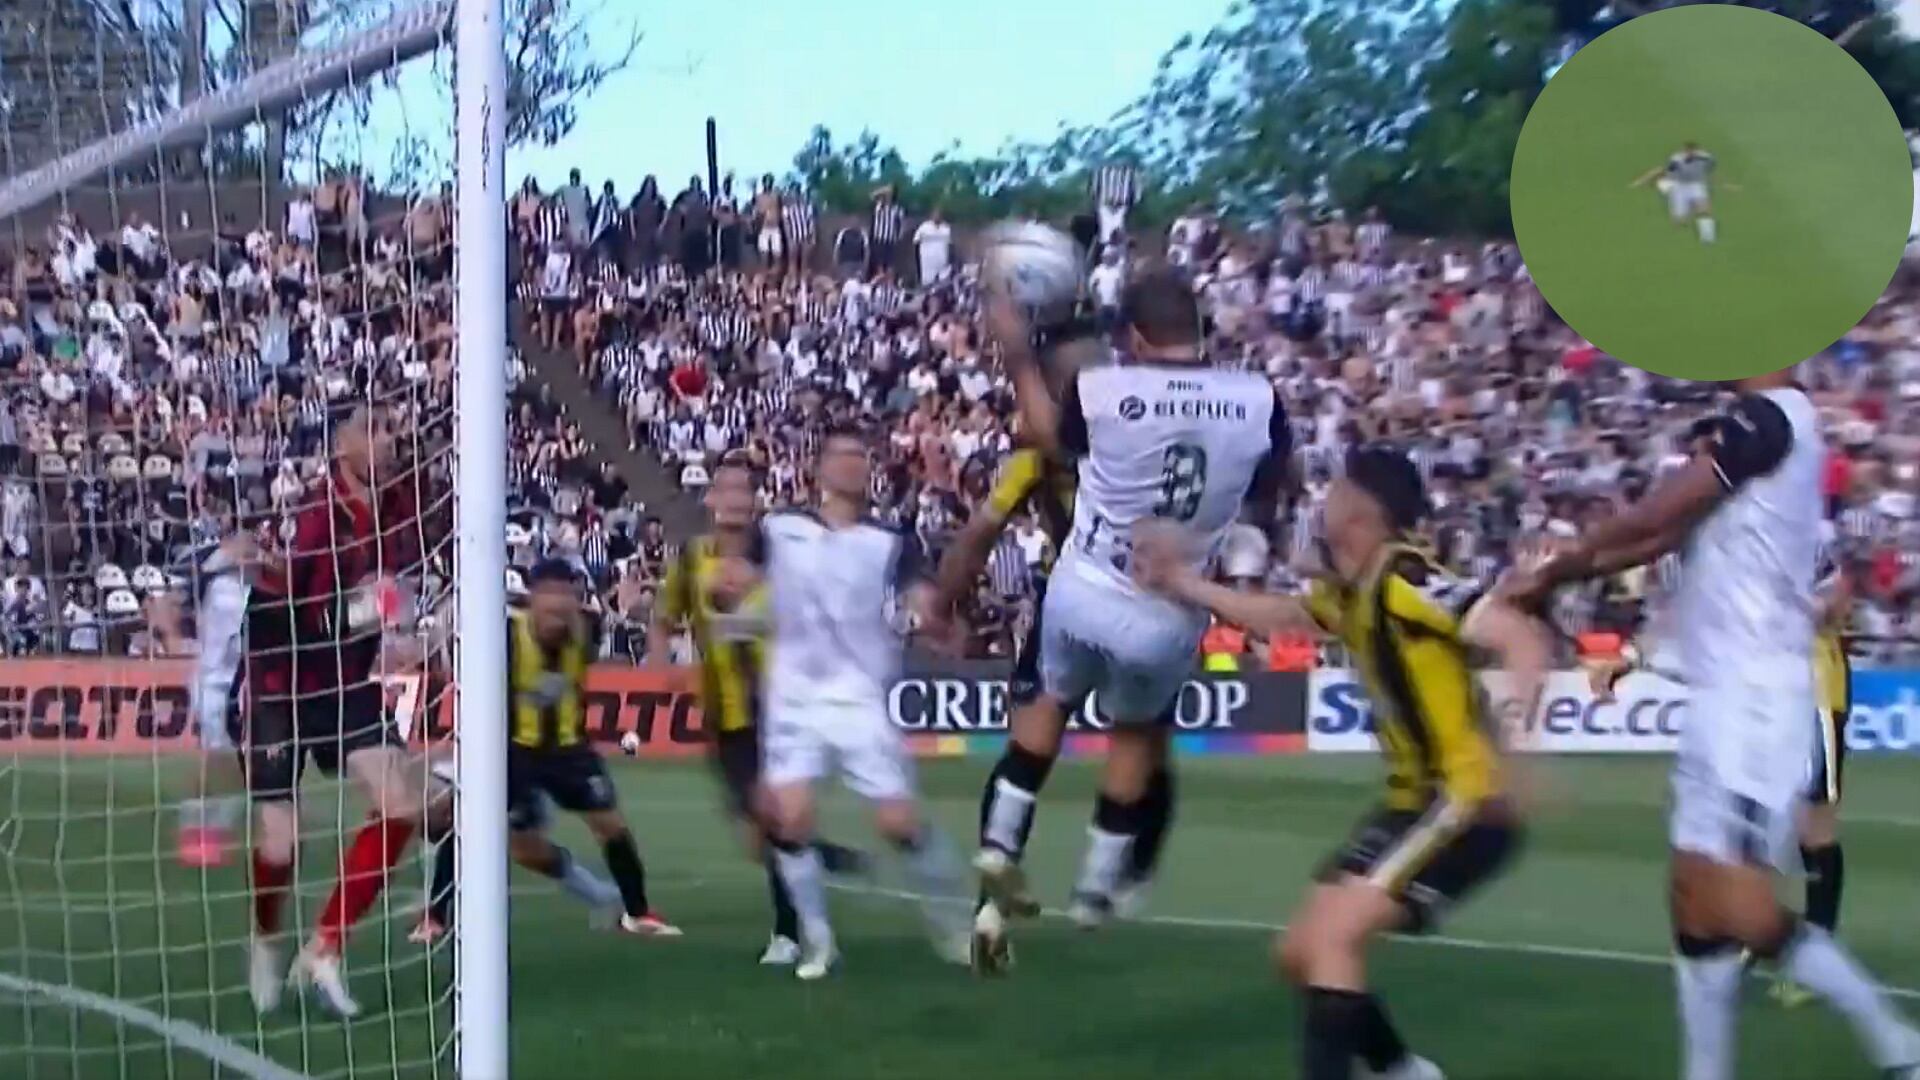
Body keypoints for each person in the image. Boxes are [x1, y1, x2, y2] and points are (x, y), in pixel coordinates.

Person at [1513, 372, 1920, 1080]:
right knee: (1693, 905)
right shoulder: (1741, 457)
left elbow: (1652, 515)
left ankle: (1899, 1046)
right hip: (1719, 701)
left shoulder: (1776, 417)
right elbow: (1654, 536)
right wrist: (1556, 576)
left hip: (1756, 704)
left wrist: (1564, 560)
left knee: (1740, 907)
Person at [1133, 446, 1549, 1080]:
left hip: (1464, 801)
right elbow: (1283, 616)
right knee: (1300, 953)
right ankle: (1403, 1071)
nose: (1323, 500)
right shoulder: (1351, 590)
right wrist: (1180, 582)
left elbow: (1519, 635)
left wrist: (1516, 746)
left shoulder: (1406, 580)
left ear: (1359, 511)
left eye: (1336, 491)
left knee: (1332, 942)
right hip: (1413, 804)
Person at [985, 264, 1290, 934]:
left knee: (1049, 703)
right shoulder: (1260, 398)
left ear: (1137, 337)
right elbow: (1268, 493)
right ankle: (1094, 891)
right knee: (1135, 736)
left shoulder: (1102, 387)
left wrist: (1019, 359)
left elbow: (1051, 440)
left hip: (1085, 587)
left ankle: (1000, 844)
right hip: (1166, 608)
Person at [930, 319, 1171, 975]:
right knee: (1143, 742)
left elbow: (978, 536)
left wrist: (943, 602)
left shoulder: (1036, 460)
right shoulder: (1141, 439)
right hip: (1144, 609)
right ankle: (1112, 877)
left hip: (1071, 604)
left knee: (1031, 745)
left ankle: (993, 890)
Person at [756, 425, 972, 981]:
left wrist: (933, 618)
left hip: (858, 696)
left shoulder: (891, 539)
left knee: (898, 823)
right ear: (820, 468)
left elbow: (921, 595)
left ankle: (952, 922)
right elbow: (740, 572)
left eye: (860, 457)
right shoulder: (780, 528)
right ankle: (818, 942)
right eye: (842, 456)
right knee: (790, 820)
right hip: (792, 699)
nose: (852, 465)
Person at [242, 405, 427, 1019]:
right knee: (280, 846)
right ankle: (265, 940)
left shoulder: (397, 509)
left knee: (401, 802)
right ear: (340, 444)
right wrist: (371, 612)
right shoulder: (313, 515)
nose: (388, 439)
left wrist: (397, 620)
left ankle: (324, 947)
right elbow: (283, 617)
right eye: (372, 429)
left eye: (391, 428)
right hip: (281, 686)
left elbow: (392, 591)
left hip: (346, 685)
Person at [647, 452, 864, 965]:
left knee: (775, 816)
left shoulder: (780, 559)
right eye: (726, 489)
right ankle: (818, 863)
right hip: (726, 716)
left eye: (744, 490)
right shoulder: (691, 560)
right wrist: (663, 668)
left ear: (755, 500)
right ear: (711, 499)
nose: (735, 499)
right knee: (759, 830)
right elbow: (663, 620)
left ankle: (796, 936)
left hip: (782, 710)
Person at [416, 559, 678, 944]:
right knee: (480, 828)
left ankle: (638, 913)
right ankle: (436, 916)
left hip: (569, 749)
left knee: (611, 823)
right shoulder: (506, 636)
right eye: (550, 595)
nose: (558, 604)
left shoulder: (588, 629)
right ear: (533, 598)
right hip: (513, 750)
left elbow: (577, 681)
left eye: (566, 595)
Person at [1631, 141, 1734, 244]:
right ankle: (1659, 186)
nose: (1691, 153)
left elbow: (1710, 172)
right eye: (1688, 151)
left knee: (1704, 211)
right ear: (1685, 151)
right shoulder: (1676, 159)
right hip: (1680, 187)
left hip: (1696, 185)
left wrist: (1725, 184)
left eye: (1693, 151)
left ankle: (1707, 238)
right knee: (1679, 222)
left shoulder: (1706, 158)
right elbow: (1664, 171)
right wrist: (1646, 180)